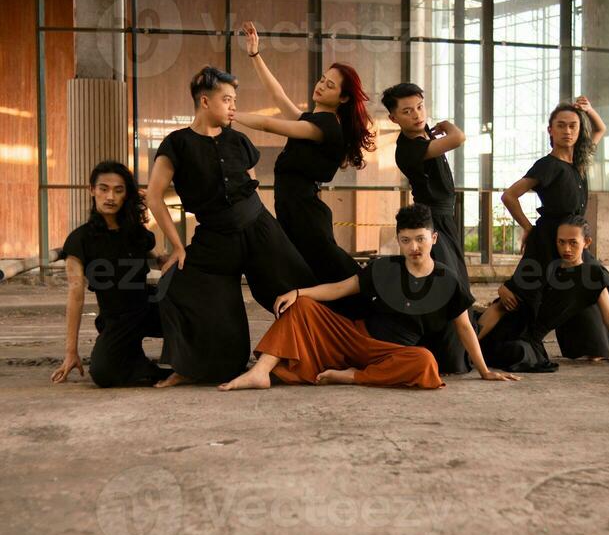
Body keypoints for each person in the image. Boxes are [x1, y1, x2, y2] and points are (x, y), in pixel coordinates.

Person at [218, 204, 519, 391]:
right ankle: (260, 372)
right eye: (406, 240)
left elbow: (465, 327)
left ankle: (349, 377)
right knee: (303, 308)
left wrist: (484, 371)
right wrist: (298, 291)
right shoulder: (384, 268)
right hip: (355, 337)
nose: (414, 246)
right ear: (399, 241)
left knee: (426, 363)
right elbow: (338, 289)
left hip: (393, 353)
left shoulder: (447, 280)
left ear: (433, 239)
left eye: (420, 239)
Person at [146, 66, 315, 387]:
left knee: (301, 287)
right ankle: (193, 367)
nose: (233, 106)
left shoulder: (238, 139)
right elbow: (154, 197)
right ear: (205, 101)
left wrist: (269, 231)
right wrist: (177, 246)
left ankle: (311, 356)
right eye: (227, 99)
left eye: (234, 99)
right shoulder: (176, 144)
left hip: (258, 226)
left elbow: (252, 186)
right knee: (176, 286)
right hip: (214, 235)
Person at [236, 21, 375, 284]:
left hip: (305, 217)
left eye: (330, 86)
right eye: (322, 79)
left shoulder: (325, 127)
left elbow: (268, 124)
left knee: (329, 279)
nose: (321, 86)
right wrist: (255, 55)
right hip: (294, 212)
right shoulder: (312, 119)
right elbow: (277, 94)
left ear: (343, 98)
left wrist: (230, 115)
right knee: (310, 279)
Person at [498, 96, 609, 359]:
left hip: (574, 236)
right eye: (561, 126)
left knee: (596, 283)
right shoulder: (547, 165)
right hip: (550, 237)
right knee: (534, 291)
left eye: (573, 126)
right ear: (550, 130)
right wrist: (528, 227)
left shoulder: (580, 161)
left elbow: (600, 130)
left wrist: (588, 109)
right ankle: (511, 339)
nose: (567, 131)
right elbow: (509, 196)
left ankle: (592, 348)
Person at [477, 216, 609, 371]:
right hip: (502, 326)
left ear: (587, 243)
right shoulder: (542, 268)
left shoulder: (592, 277)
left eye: (572, 242)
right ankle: (471, 349)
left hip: (527, 342)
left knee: (518, 353)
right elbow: (502, 302)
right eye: (561, 242)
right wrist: (504, 288)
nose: (566, 248)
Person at [51, 161, 170, 388]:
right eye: (103, 189)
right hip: (117, 319)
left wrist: (168, 260)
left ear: (126, 195)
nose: (110, 197)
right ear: (92, 190)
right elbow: (75, 297)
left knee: (192, 313)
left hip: (150, 307)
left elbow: (155, 257)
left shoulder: (136, 232)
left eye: (118, 190)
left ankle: (188, 366)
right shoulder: (79, 240)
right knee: (103, 373)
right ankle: (145, 368)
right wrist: (71, 352)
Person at [382, 81, 471, 373]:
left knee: (454, 286)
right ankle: (443, 359)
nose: (417, 114)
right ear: (394, 118)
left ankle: (455, 359)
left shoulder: (424, 138)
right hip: (433, 222)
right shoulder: (409, 149)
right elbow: (458, 138)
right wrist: (448, 124)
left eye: (420, 107)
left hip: (445, 220)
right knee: (447, 287)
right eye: (407, 111)